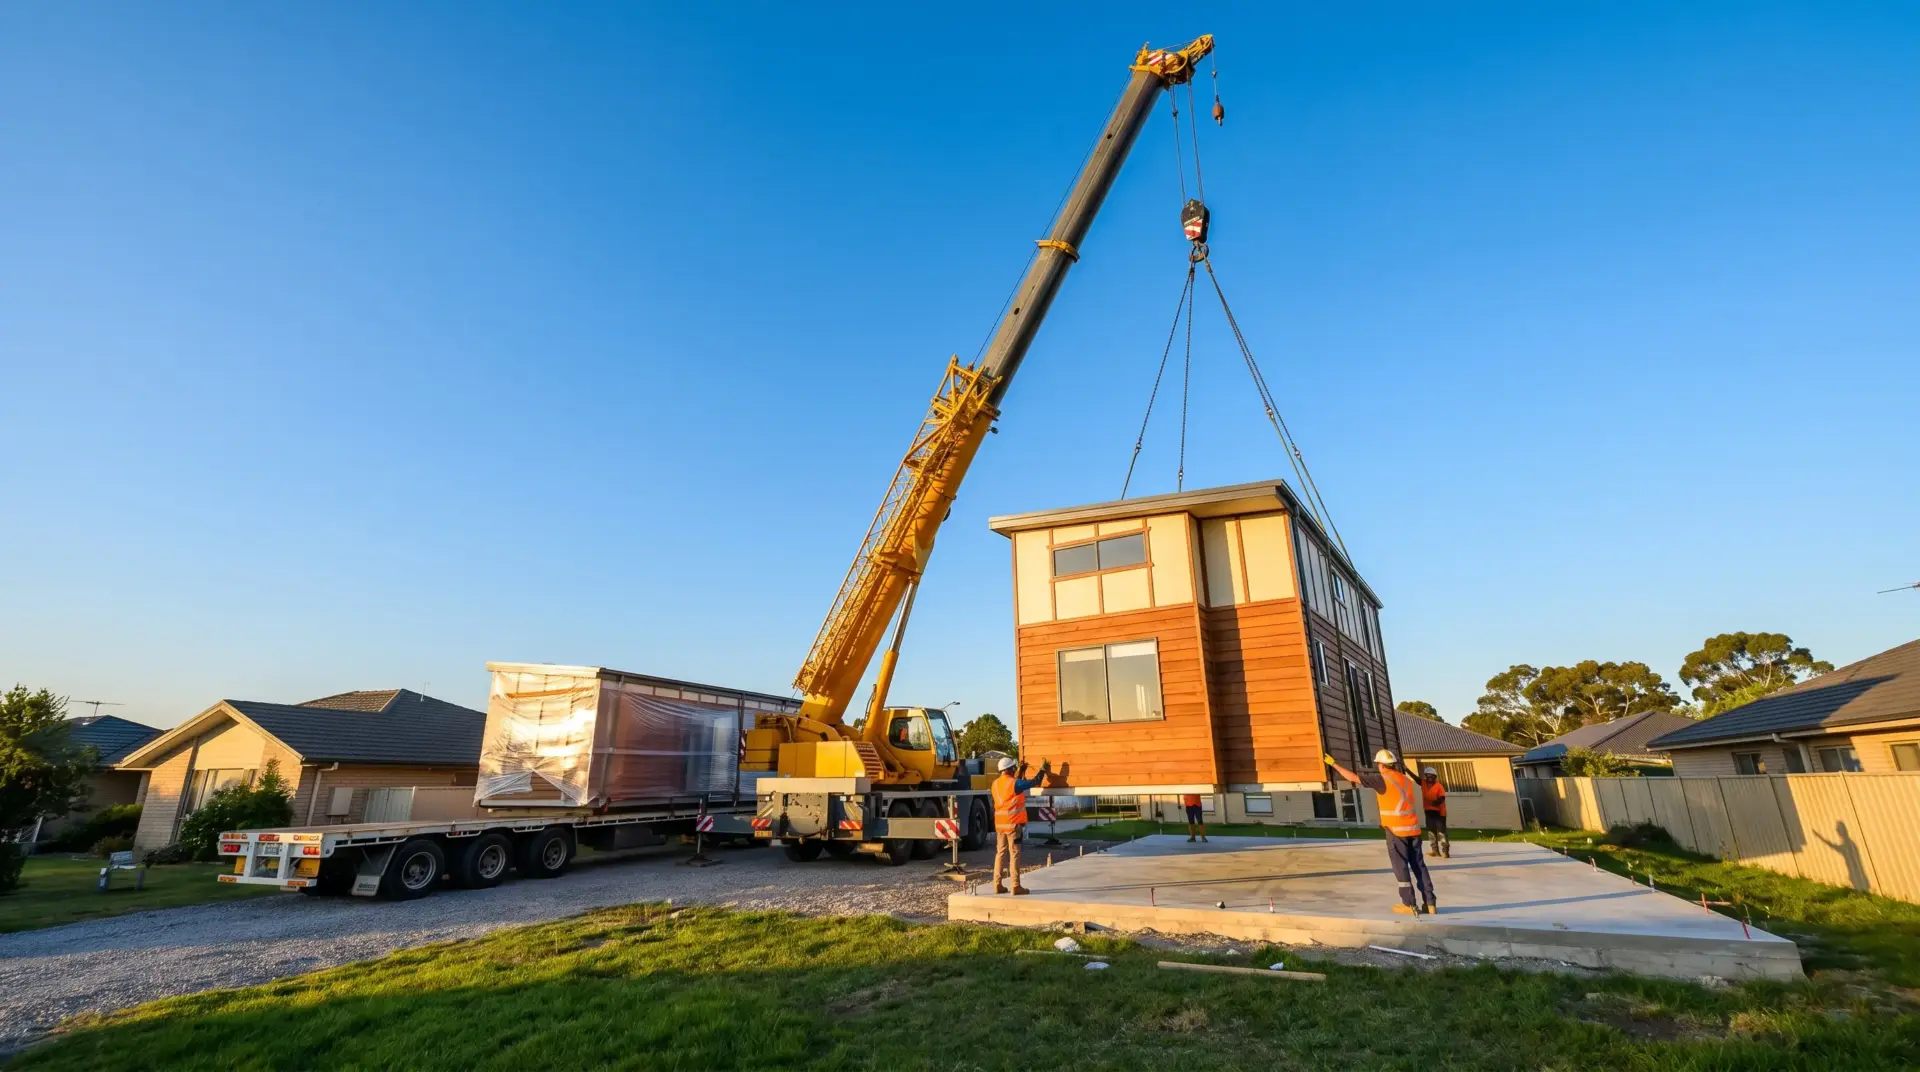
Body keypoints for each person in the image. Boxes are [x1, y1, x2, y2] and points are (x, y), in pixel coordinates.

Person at [1325, 748, 1436, 915]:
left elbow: (1353, 778)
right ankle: (1430, 903)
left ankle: (1408, 904)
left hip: (1396, 830)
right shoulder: (1405, 780)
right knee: (1419, 866)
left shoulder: (1382, 780)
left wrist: (1334, 764)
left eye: (1378, 764)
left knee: (1401, 867)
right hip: (1413, 829)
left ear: (1382, 765)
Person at [990, 755, 1049, 895]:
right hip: (1013, 825)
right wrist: (1042, 770)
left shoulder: (995, 784)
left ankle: (997, 884)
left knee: (1000, 854)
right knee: (1014, 854)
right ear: (1010, 769)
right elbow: (1034, 782)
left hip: (1000, 825)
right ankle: (1015, 886)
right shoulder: (1014, 783)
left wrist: (1022, 770)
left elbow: (1015, 786)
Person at [1420, 766, 1450, 859]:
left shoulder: (1439, 786)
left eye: (1431, 776)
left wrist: (1436, 802)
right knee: (1431, 831)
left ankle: (1445, 852)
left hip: (1439, 813)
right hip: (1428, 811)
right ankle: (1435, 851)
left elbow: (1442, 797)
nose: (1429, 778)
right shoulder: (1423, 783)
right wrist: (1406, 769)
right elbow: (1415, 778)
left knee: (1441, 832)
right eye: (1427, 776)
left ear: (1435, 777)